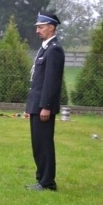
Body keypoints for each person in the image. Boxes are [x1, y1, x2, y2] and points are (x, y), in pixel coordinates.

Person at [26, 12, 65, 191]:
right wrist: (31, 106)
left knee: (44, 144)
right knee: (38, 144)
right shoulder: (45, 48)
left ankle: (48, 182)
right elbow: (37, 80)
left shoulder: (54, 49)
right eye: (37, 26)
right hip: (36, 104)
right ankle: (41, 178)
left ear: (51, 27)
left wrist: (45, 107)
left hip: (44, 107)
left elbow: (51, 81)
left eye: (41, 27)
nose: (37, 30)